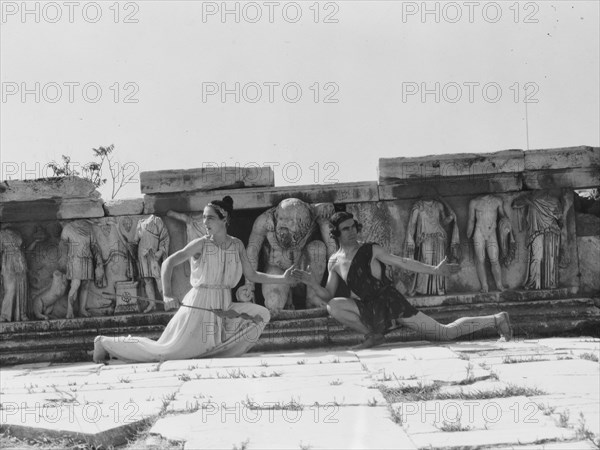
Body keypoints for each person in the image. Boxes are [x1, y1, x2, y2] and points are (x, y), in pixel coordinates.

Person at [93, 196, 296, 363]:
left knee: (261, 314)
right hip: (199, 303)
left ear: (223, 218)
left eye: (210, 218)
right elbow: (168, 263)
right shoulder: (200, 244)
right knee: (164, 352)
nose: (205, 222)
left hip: (223, 304)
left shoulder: (237, 245)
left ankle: (220, 351)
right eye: (204, 218)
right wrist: (167, 294)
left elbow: (252, 275)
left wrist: (284, 279)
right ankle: (105, 343)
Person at [293, 212, 513, 349]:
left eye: (353, 226)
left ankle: (497, 319)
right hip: (367, 306)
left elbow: (403, 262)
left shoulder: (371, 249)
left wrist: (435, 270)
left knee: (444, 333)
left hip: (390, 302)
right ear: (336, 233)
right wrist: (312, 283)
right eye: (345, 229)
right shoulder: (334, 261)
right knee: (333, 306)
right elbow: (328, 295)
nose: (352, 231)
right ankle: (374, 335)